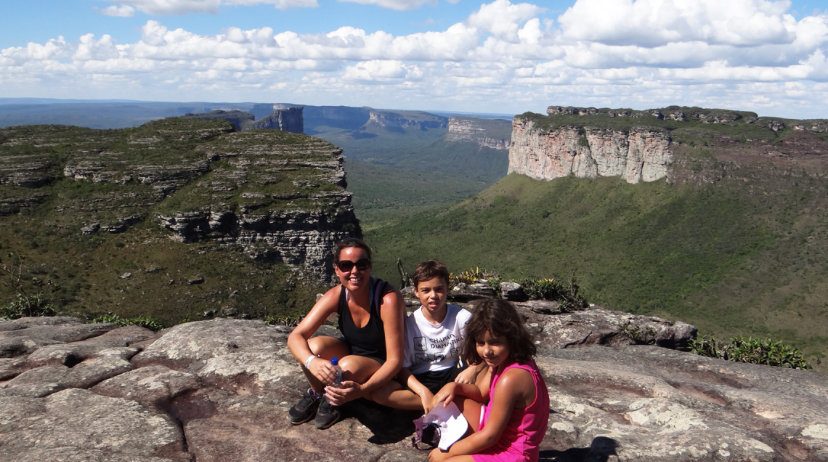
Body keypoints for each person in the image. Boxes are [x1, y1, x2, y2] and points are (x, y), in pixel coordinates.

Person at [287, 238, 405, 429]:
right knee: (312, 347)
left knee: (347, 365)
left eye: (362, 265)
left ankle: (335, 399)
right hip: (352, 351)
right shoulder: (337, 295)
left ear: (370, 267)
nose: (355, 272)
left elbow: (395, 361)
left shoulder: (387, 299)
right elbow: (296, 336)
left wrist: (364, 389)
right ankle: (319, 392)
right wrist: (312, 362)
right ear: (337, 270)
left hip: (380, 362)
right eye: (346, 265)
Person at [428, 298, 550, 462]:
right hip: (499, 437)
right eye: (480, 342)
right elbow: (481, 393)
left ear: (511, 338)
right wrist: (454, 387)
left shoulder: (512, 378)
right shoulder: (503, 361)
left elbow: (490, 437)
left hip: (512, 454)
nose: (487, 351)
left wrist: (446, 452)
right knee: (451, 401)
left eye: (495, 342)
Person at [371, 260, 482, 413]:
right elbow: (403, 368)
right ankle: (444, 402)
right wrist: (423, 392)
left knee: (487, 373)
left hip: (454, 374)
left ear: (447, 288)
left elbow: (480, 351)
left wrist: (473, 369)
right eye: (426, 290)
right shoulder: (410, 325)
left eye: (439, 289)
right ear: (416, 292)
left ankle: (440, 401)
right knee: (380, 393)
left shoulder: (461, 318)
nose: (433, 296)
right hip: (421, 379)